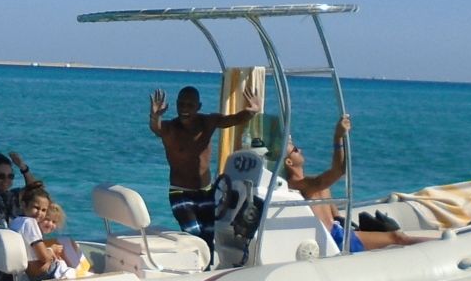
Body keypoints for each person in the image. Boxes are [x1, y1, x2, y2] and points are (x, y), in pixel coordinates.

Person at [283, 114, 432, 251]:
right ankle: (438, 246)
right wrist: (338, 137)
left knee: (392, 234)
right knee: (397, 238)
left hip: (339, 232)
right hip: (334, 240)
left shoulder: (316, 183)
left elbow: (336, 215)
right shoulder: (299, 186)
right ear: (289, 162)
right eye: (295, 150)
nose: (300, 149)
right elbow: (338, 171)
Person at [149, 84, 257, 240]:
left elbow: (233, 119)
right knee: (193, 236)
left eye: (190, 105)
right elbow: (156, 128)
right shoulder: (170, 128)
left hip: (206, 192)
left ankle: (204, 257)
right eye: (181, 104)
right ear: (176, 104)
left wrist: (251, 112)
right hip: (180, 193)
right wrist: (155, 116)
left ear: (198, 106)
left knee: (208, 238)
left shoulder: (208, 122)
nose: (184, 109)